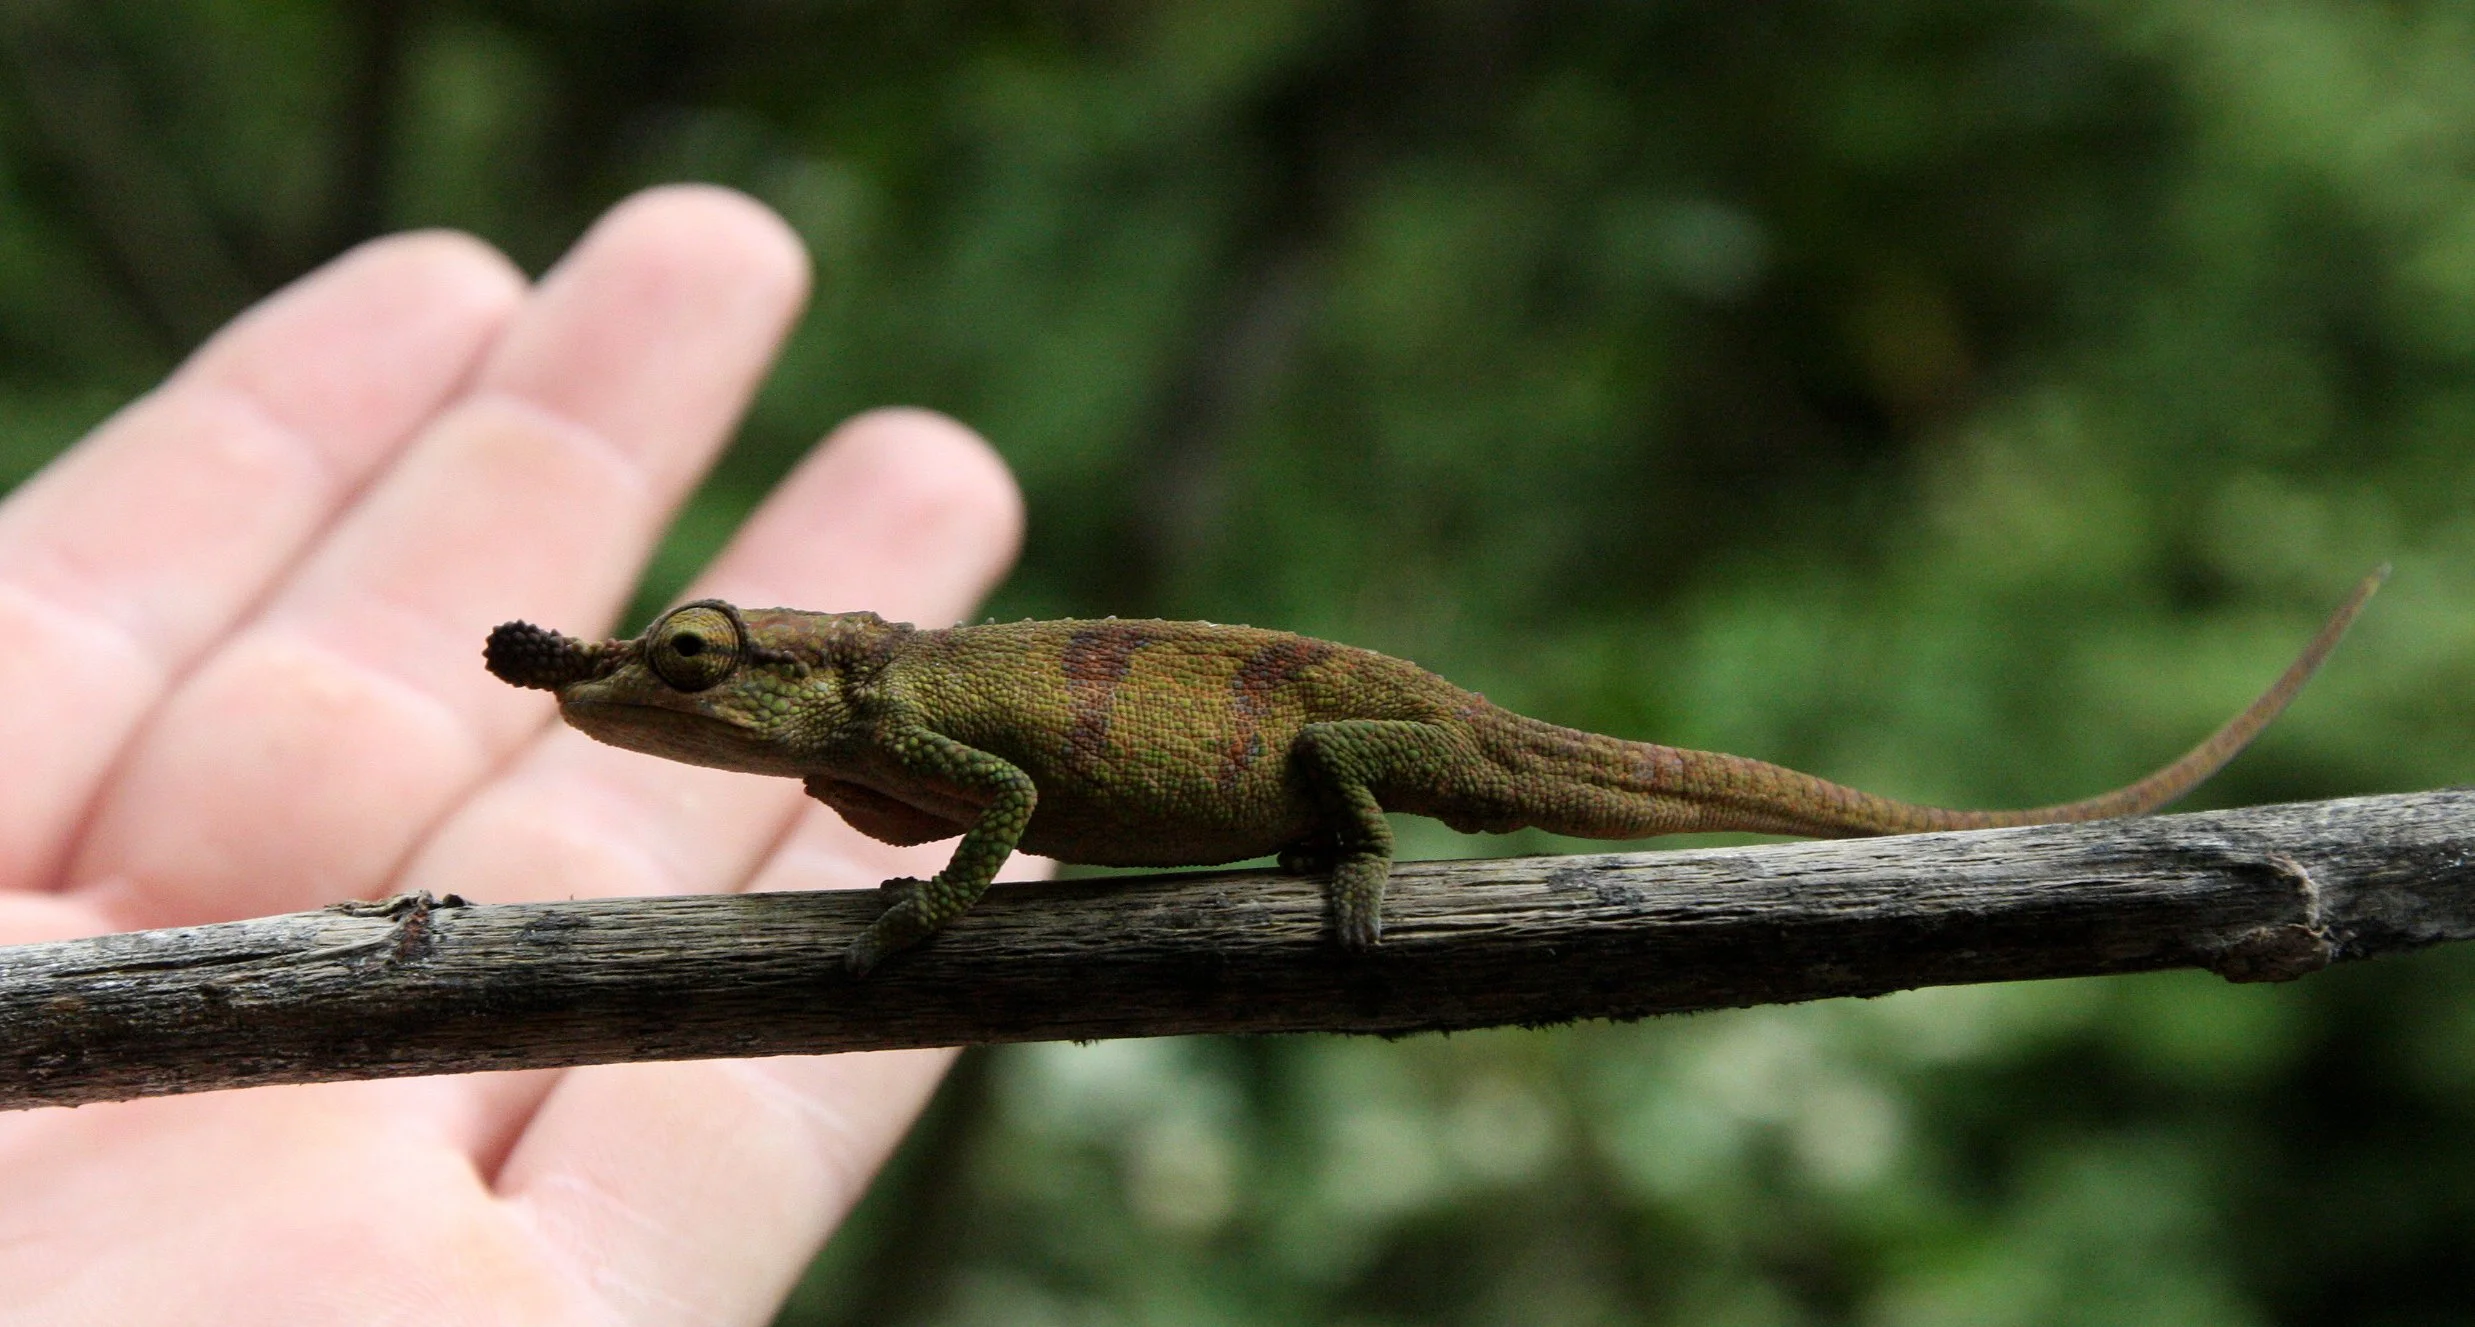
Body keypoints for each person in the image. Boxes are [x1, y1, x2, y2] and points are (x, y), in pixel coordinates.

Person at [0, 185, 1024, 1323]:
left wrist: (943, 908)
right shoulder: (868, 726)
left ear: (808, 677)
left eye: (689, 656)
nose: (651, 683)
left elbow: (1010, 788)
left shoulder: (885, 710)